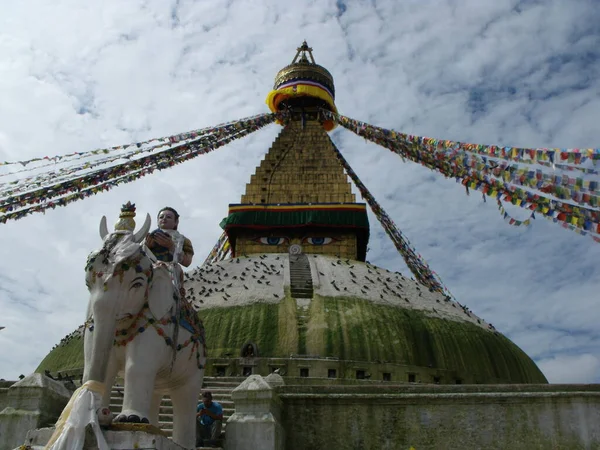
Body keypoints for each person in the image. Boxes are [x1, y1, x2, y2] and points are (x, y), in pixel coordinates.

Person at [145, 207, 194, 297]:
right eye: (161, 217)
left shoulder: (183, 240)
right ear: (157, 221)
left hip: (171, 271)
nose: (164, 219)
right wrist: (147, 248)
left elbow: (187, 262)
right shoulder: (148, 238)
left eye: (168, 217)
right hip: (149, 271)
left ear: (176, 222)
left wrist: (172, 247)